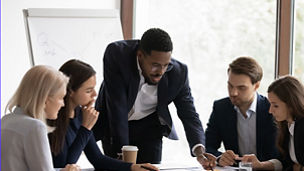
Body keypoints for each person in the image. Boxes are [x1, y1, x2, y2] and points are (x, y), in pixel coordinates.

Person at [93, 28, 215, 168]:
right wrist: (124, 157)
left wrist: (199, 150)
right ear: (140, 56)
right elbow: (117, 106)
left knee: (150, 168)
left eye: (166, 65)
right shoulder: (117, 55)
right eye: (155, 65)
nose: (161, 72)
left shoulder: (178, 73)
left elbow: (189, 114)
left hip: (149, 128)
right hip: (115, 125)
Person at [48, 59, 158, 171]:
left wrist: (133, 167)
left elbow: (98, 159)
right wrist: (85, 128)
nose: (95, 94)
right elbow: (65, 165)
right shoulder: (52, 118)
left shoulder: (81, 114)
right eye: (88, 90)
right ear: (70, 91)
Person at [205, 57, 280, 168]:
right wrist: (220, 158)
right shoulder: (221, 108)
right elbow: (207, 146)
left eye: (241, 88)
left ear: (256, 86)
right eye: (230, 86)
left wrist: (262, 165)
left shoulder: (272, 109)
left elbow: (283, 156)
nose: (233, 93)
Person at [1, 65, 79, 171]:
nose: (63, 104)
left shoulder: (6, 120)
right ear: (46, 99)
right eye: (61, 98)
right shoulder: (35, 127)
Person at [241, 76, 304, 171]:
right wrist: (260, 165)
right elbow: (285, 162)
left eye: (275, 105)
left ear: (291, 104)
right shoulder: (287, 125)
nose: (270, 111)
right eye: (270, 104)